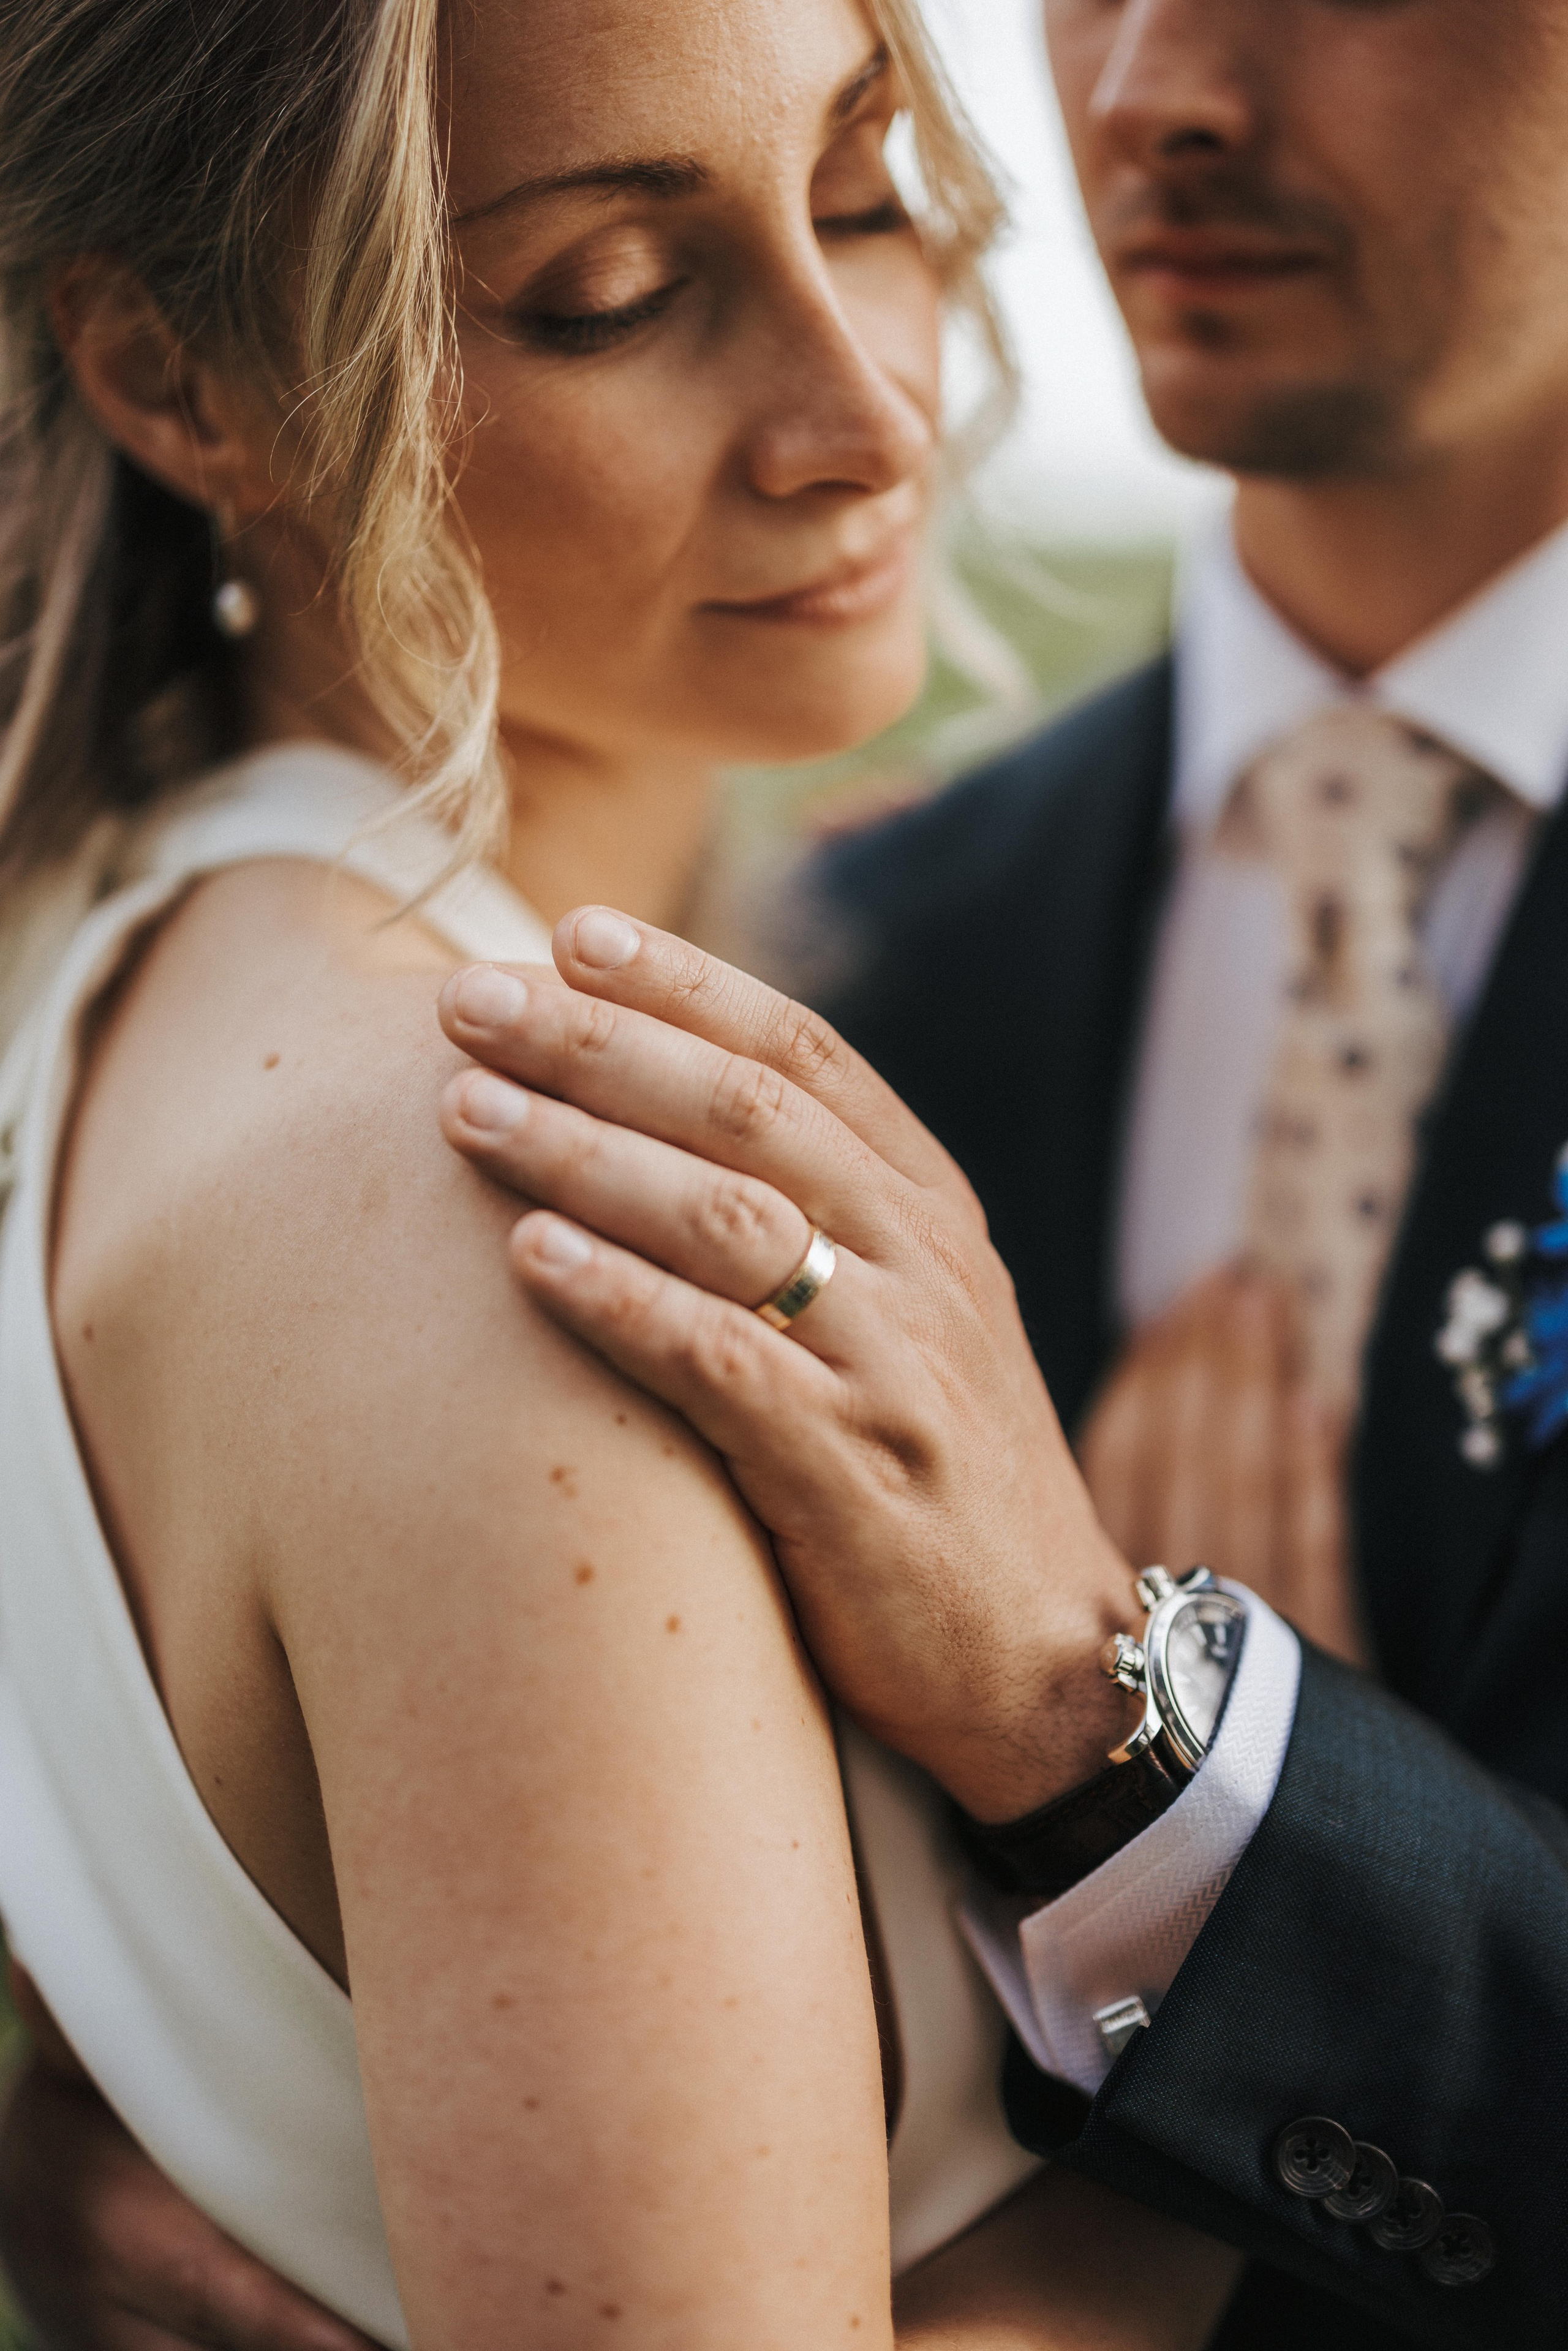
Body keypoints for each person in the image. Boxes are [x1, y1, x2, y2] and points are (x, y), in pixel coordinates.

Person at [12, 0, 1568, 2343]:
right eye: (608, 297)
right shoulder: (646, 1122)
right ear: (178, 379)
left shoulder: (516, 991)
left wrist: (1181, 1770)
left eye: (869, 198)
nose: (878, 424)